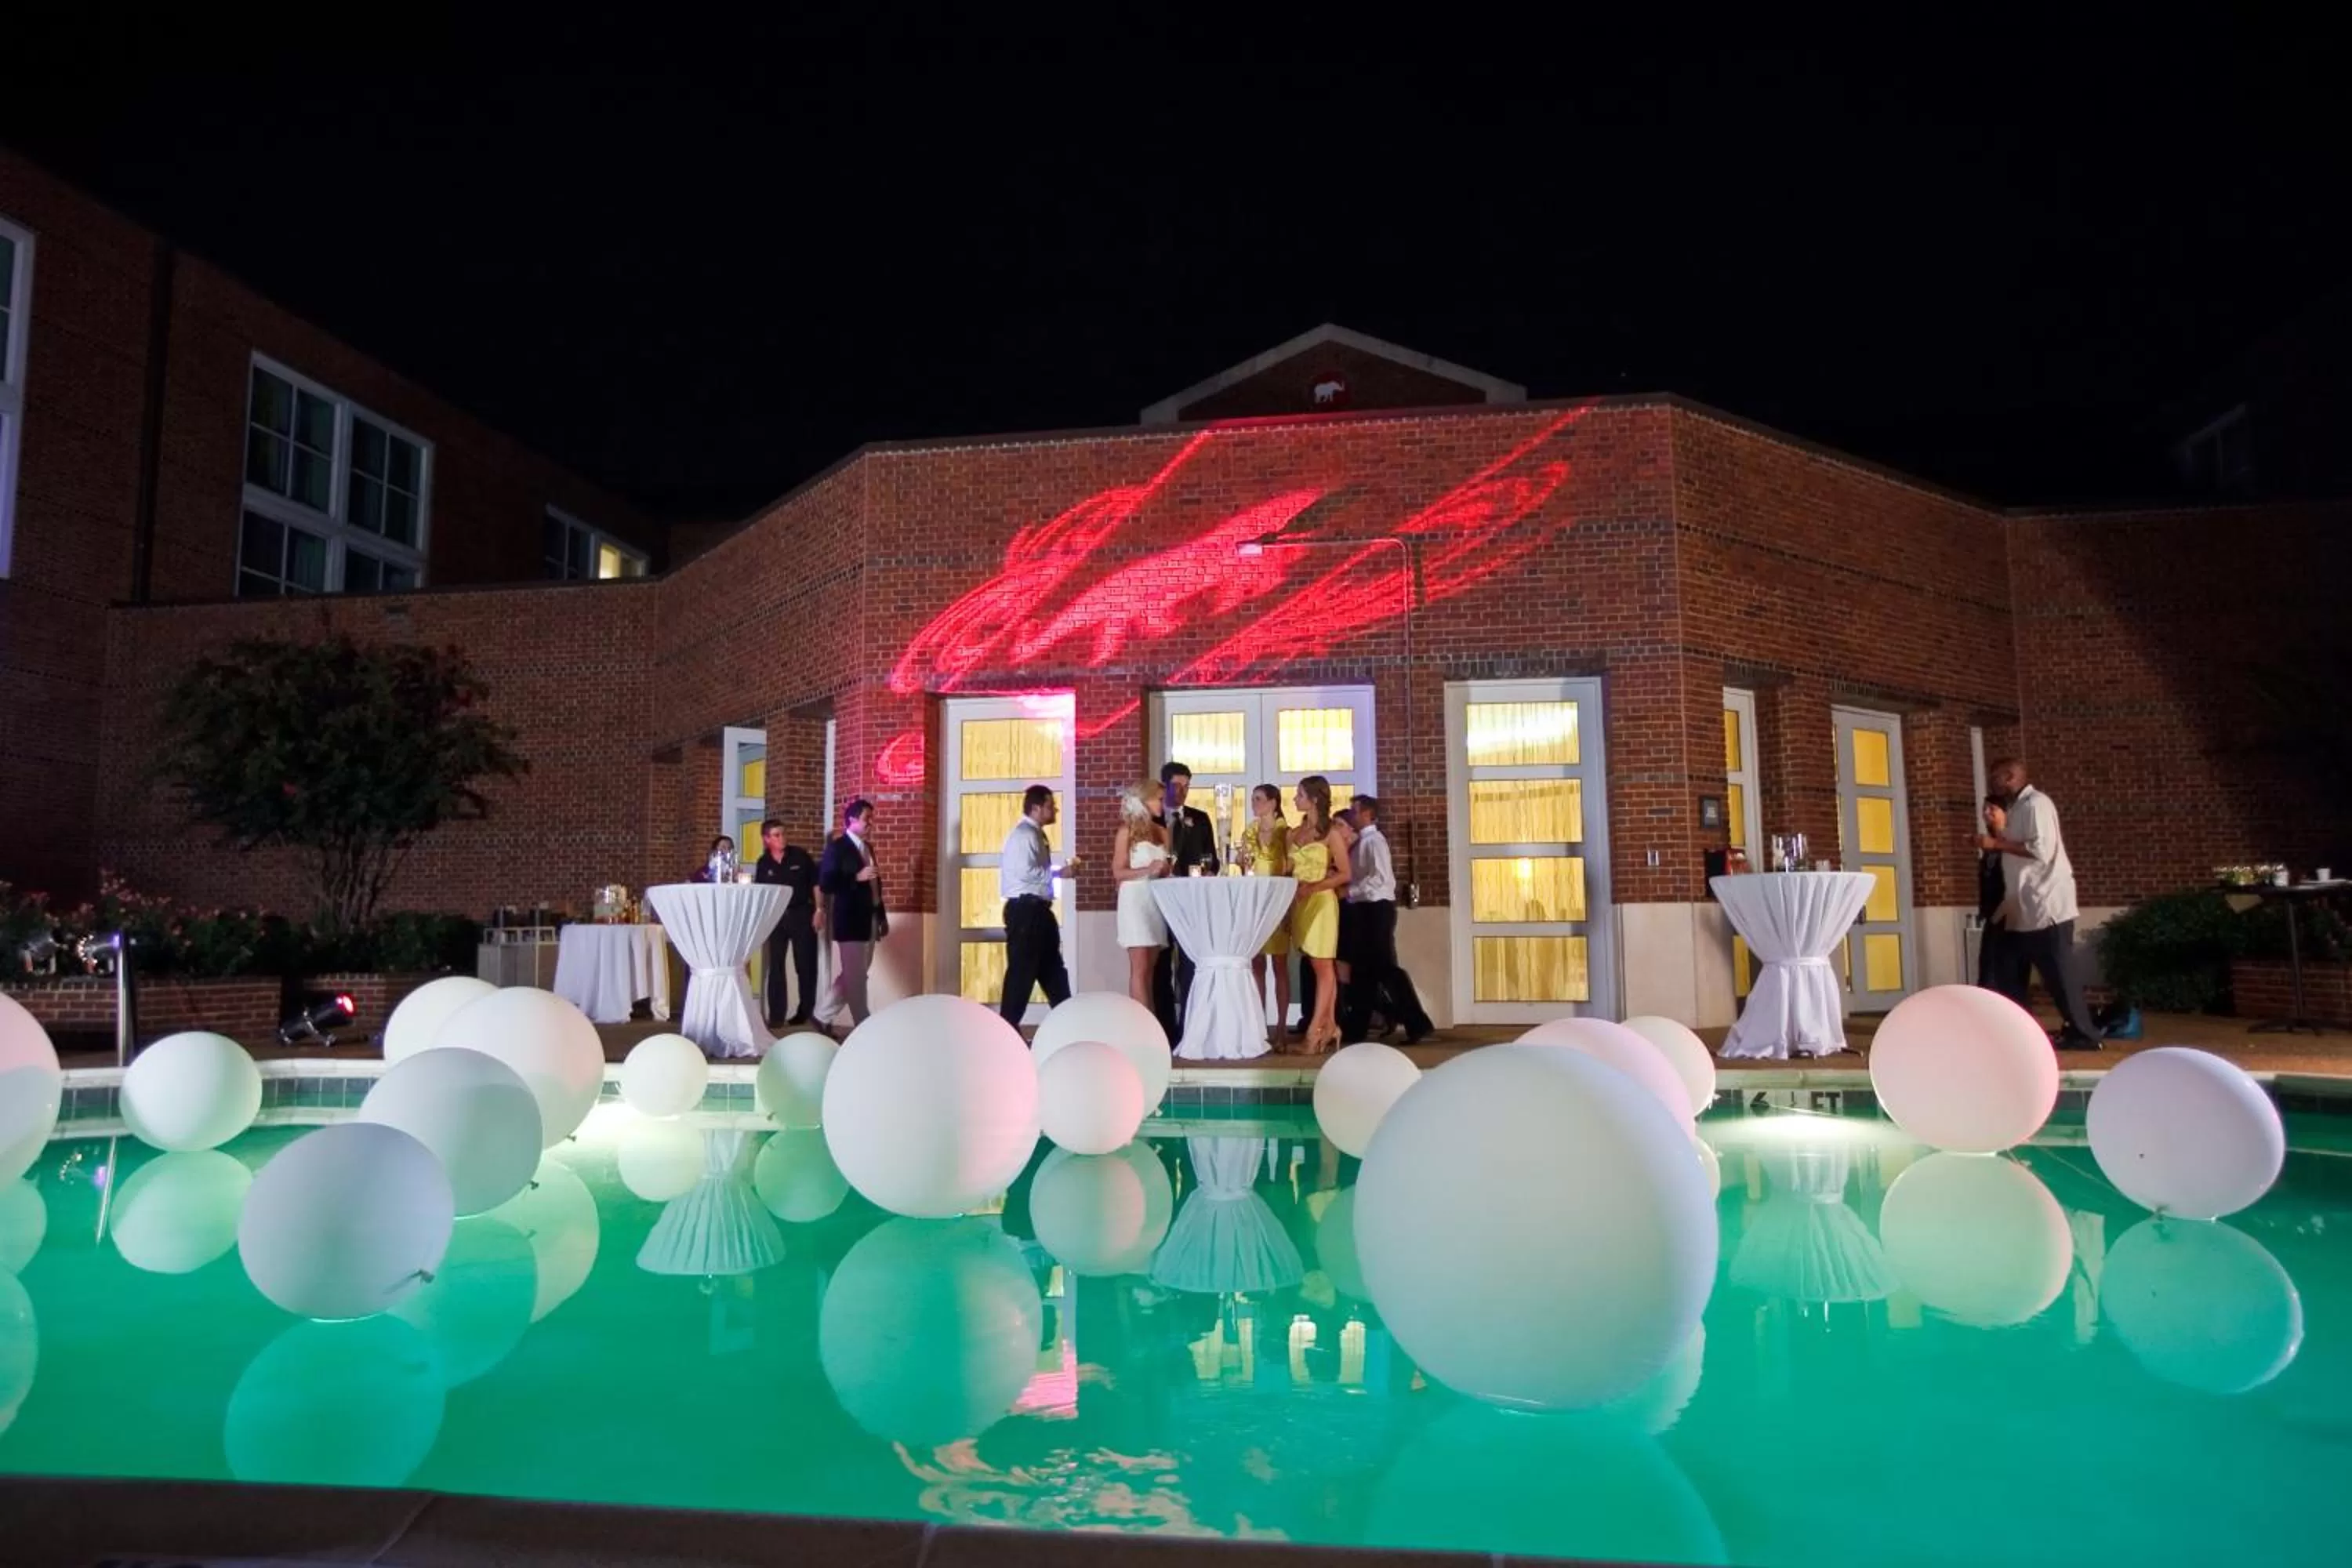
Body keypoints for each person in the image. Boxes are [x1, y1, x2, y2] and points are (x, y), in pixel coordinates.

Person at [1981, 759, 2102, 1050]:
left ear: (2010, 777)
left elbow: (2041, 850)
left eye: (1996, 778)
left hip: (2047, 905)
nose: (1992, 783)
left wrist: (1995, 844)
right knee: (2007, 969)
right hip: (2022, 908)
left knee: (2059, 974)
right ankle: (2022, 1031)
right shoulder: (2017, 808)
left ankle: (2084, 1034)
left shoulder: (2037, 804)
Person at [1339, 797, 1433, 1045]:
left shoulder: (1374, 842)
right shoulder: (1362, 843)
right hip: (1365, 909)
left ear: (1368, 814)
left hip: (1377, 909)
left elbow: (1380, 879)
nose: (1351, 815)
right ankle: (1357, 1027)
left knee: (1384, 967)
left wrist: (1350, 892)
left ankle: (1416, 1022)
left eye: (1355, 810)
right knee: (1363, 971)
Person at [998, 784, 1080, 1029]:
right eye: (1049, 805)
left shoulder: (1034, 834)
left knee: (1053, 971)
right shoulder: (1025, 836)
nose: (1054, 809)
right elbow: (1026, 872)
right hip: (1027, 912)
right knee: (1021, 975)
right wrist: (1059, 872)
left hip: (1038, 912)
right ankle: (1006, 1030)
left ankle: (1069, 1025)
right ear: (1035, 808)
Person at [1287, 775, 1352, 1054]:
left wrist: (1315, 886)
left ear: (1313, 800)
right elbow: (1287, 869)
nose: (1294, 800)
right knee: (1318, 966)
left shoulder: (1331, 835)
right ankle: (1332, 1026)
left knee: (1323, 967)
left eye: (1299, 795)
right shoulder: (1293, 833)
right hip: (1300, 902)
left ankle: (1314, 1033)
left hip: (1322, 902)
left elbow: (1346, 874)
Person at [1153, 761, 1221, 1029]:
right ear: (1165, 785)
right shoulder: (1153, 819)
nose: (1182, 792)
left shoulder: (1200, 818)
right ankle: (1165, 1027)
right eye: (1177, 786)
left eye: (1187, 787)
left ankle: (1189, 1026)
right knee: (1160, 967)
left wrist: (1205, 871)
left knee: (1189, 966)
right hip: (1159, 902)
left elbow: (1212, 860)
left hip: (1192, 902)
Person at [815, 799, 885, 1035]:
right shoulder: (838, 848)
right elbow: (827, 882)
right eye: (867, 819)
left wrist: (881, 916)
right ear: (852, 820)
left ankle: (821, 1015)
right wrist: (856, 878)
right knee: (856, 978)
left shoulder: (868, 848)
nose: (871, 824)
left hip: (870, 919)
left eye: (872, 819)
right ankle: (864, 1028)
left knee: (855, 974)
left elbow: (876, 885)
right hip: (850, 920)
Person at [1113, 779, 1174, 1018]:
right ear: (1146, 800)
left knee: (1151, 969)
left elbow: (1167, 866)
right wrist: (1148, 870)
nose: (1163, 804)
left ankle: (1153, 1026)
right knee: (1139, 968)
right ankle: (1143, 1027)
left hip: (1155, 901)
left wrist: (1166, 870)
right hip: (1135, 900)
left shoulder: (1162, 832)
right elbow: (1118, 872)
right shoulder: (1126, 831)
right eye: (1159, 799)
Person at [752, 819, 820, 1027]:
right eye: (776, 835)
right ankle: (776, 1015)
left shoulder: (800, 856)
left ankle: (805, 1012)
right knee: (776, 966)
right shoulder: (763, 863)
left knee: (805, 965)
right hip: (776, 918)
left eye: (783, 833)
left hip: (802, 913)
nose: (782, 838)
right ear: (766, 839)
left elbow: (816, 884)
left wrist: (819, 910)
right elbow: (762, 892)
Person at [1238, 783, 1293, 1038]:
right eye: (1253, 799)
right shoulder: (1249, 831)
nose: (1254, 804)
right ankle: (1260, 1024)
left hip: (1277, 900)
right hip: (1255, 901)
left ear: (1273, 803)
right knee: (1257, 964)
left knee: (1280, 965)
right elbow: (1243, 862)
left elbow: (1290, 869)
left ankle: (1281, 1025)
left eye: (1259, 799)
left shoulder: (1285, 831)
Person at [1971, 795, 2016, 1004]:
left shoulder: (2012, 843)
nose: (1987, 814)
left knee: (2005, 973)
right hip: (1992, 917)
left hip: (2010, 917)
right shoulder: (1989, 848)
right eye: (1985, 809)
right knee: (1987, 971)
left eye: (1993, 809)